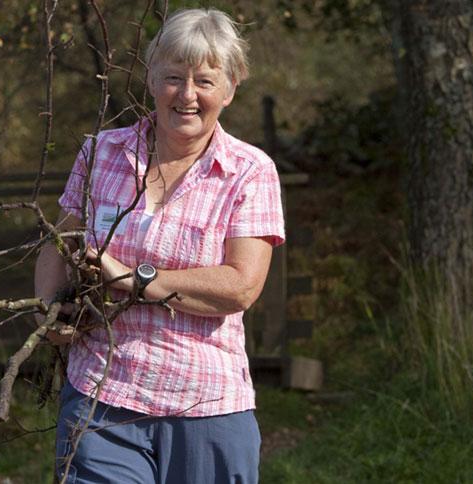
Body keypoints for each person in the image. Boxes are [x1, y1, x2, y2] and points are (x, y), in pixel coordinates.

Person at [34, 8, 285, 483]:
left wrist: (135, 279)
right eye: (173, 77)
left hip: (206, 404)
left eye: (205, 81)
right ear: (150, 79)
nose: (187, 95)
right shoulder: (101, 153)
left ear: (230, 88)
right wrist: (49, 311)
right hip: (101, 400)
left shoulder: (250, 172)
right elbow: (60, 242)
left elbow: (240, 287)